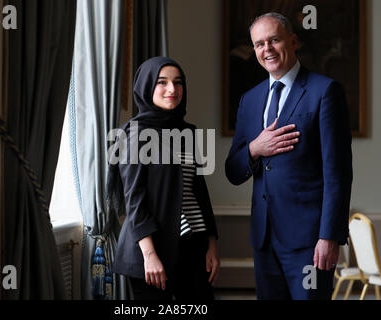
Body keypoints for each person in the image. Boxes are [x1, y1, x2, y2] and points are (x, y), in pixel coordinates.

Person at [225, 12, 353, 300]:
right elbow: (232, 171)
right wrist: (255, 148)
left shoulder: (324, 91)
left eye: (274, 40)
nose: (266, 49)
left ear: (293, 41)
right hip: (264, 239)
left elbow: (338, 173)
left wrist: (329, 237)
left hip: (310, 243)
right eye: (258, 44)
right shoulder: (250, 99)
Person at [108, 56, 220, 300]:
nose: (172, 89)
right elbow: (134, 200)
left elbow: (198, 190)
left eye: (178, 82)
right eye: (162, 82)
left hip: (193, 244)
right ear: (147, 86)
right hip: (152, 249)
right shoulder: (135, 134)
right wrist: (150, 255)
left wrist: (211, 242)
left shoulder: (187, 131)